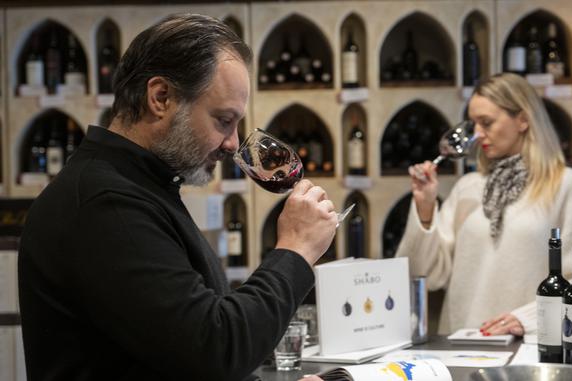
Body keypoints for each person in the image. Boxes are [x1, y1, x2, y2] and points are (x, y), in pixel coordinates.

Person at [18, 14, 337, 381]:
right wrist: (296, 250)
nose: (233, 143)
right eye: (223, 120)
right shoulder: (105, 205)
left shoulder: (138, 188)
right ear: (161, 97)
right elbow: (216, 349)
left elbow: (173, 354)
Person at [395, 73, 572, 337]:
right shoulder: (468, 186)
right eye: (473, 125)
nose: (477, 135)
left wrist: (527, 319)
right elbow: (425, 275)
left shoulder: (565, 185)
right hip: (462, 346)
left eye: (486, 123)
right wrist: (424, 208)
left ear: (523, 119)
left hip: (531, 348)